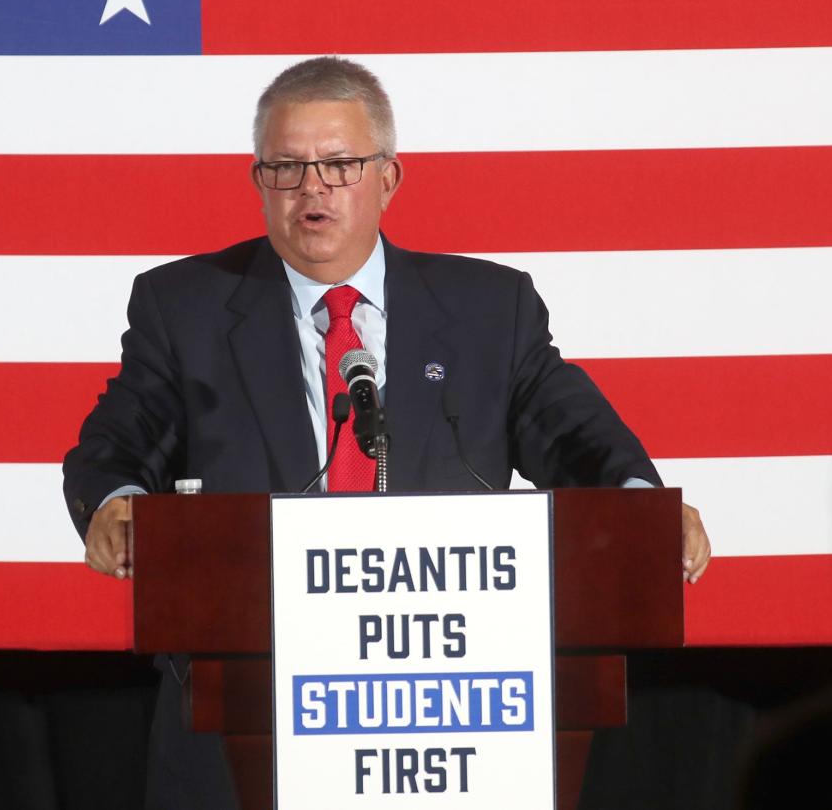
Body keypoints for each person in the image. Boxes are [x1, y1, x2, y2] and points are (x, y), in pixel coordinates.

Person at [63, 56, 711, 809]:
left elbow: (573, 436)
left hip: (440, 726)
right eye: (285, 167)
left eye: (338, 165)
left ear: (388, 178)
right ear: (257, 182)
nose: (312, 189)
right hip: (244, 723)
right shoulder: (186, 308)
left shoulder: (487, 310)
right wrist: (113, 501)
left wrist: (640, 511)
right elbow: (114, 444)